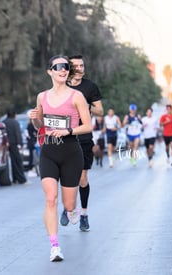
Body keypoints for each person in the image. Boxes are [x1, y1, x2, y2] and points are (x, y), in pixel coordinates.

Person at [28, 55, 92, 262]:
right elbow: (39, 126)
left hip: (71, 151)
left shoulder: (76, 96)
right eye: (59, 67)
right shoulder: (42, 97)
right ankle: (54, 246)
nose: (63, 70)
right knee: (50, 199)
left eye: (66, 67)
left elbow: (88, 126)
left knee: (70, 204)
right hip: (49, 150)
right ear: (50, 71)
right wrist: (34, 119)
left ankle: (71, 211)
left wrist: (68, 131)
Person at [59, 54, 103, 232]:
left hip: (83, 138)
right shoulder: (62, 85)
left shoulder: (90, 87)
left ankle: (83, 214)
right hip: (64, 137)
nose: (80, 68)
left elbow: (100, 111)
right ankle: (67, 208)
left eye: (82, 65)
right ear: (69, 68)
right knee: (67, 178)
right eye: (76, 66)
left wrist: (86, 105)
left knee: (82, 178)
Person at [3, 110, 27, 184]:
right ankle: (21, 179)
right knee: (18, 161)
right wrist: (21, 144)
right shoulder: (15, 122)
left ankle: (14, 178)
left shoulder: (4, 122)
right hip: (13, 145)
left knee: (11, 162)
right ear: (14, 115)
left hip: (5, 145)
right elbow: (17, 133)